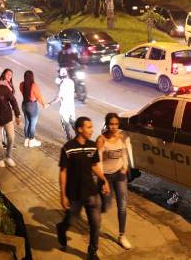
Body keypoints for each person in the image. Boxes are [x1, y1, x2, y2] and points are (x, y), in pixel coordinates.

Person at [56, 116, 110, 260]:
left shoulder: (92, 146)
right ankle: (61, 228)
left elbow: (94, 166)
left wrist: (104, 180)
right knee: (71, 221)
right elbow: (63, 172)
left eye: (92, 127)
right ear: (80, 129)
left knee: (95, 223)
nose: (92, 130)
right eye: (89, 127)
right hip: (74, 193)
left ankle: (92, 252)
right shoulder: (68, 148)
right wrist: (63, 195)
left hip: (91, 192)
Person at [97, 113, 132, 250]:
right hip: (105, 176)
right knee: (105, 206)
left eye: (116, 124)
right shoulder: (101, 139)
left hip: (119, 175)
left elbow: (124, 153)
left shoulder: (122, 136)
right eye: (111, 124)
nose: (113, 127)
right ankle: (95, 221)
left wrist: (125, 166)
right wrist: (103, 180)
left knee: (122, 206)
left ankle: (122, 235)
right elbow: (98, 161)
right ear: (106, 124)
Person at [46, 68, 76, 141]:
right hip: (71, 106)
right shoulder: (71, 82)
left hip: (65, 107)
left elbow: (58, 98)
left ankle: (69, 137)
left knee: (65, 122)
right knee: (73, 121)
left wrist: (49, 104)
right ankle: (79, 135)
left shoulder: (63, 85)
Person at [19, 70, 44, 148]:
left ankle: (26, 140)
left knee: (27, 122)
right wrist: (44, 104)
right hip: (32, 105)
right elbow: (38, 97)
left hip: (24, 105)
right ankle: (32, 140)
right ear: (32, 77)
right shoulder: (34, 86)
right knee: (32, 124)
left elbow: (22, 91)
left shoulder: (22, 84)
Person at [0, 68, 16, 148]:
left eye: (11, 75)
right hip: (4, 107)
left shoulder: (9, 82)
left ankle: (6, 142)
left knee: (6, 125)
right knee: (5, 125)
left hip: (9, 107)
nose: (9, 76)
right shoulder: (3, 82)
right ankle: (5, 143)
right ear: (4, 74)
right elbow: (9, 92)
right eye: (8, 74)